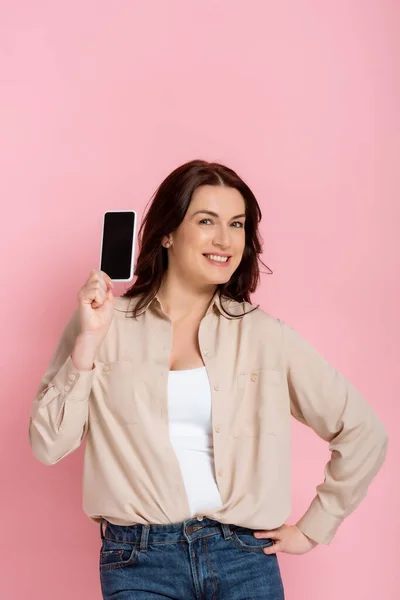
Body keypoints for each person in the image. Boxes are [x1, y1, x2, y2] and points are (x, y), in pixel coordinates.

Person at [29, 159, 388, 599]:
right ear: (167, 232)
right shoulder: (103, 322)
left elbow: (364, 433)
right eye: (206, 221)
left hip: (242, 557)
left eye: (236, 224)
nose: (225, 240)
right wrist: (88, 343)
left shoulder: (263, 335)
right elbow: (48, 445)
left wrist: (314, 528)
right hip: (138, 563)